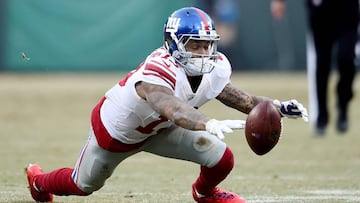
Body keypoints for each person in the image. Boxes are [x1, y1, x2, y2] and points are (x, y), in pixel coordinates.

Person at [25, 7, 308, 203]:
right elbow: (169, 106)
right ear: (173, 44)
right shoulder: (158, 68)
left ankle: (204, 194)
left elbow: (238, 97)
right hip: (117, 133)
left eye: (206, 45)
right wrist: (207, 122)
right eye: (194, 45)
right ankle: (39, 182)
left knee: (222, 157)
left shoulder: (215, 67)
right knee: (83, 185)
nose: (202, 53)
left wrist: (277, 107)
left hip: (162, 129)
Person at [271, 0, 359, 135]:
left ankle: (343, 105)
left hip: (347, 7)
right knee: (322, 63)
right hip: (320, 9)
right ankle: (322, 117)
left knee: (346, 58)